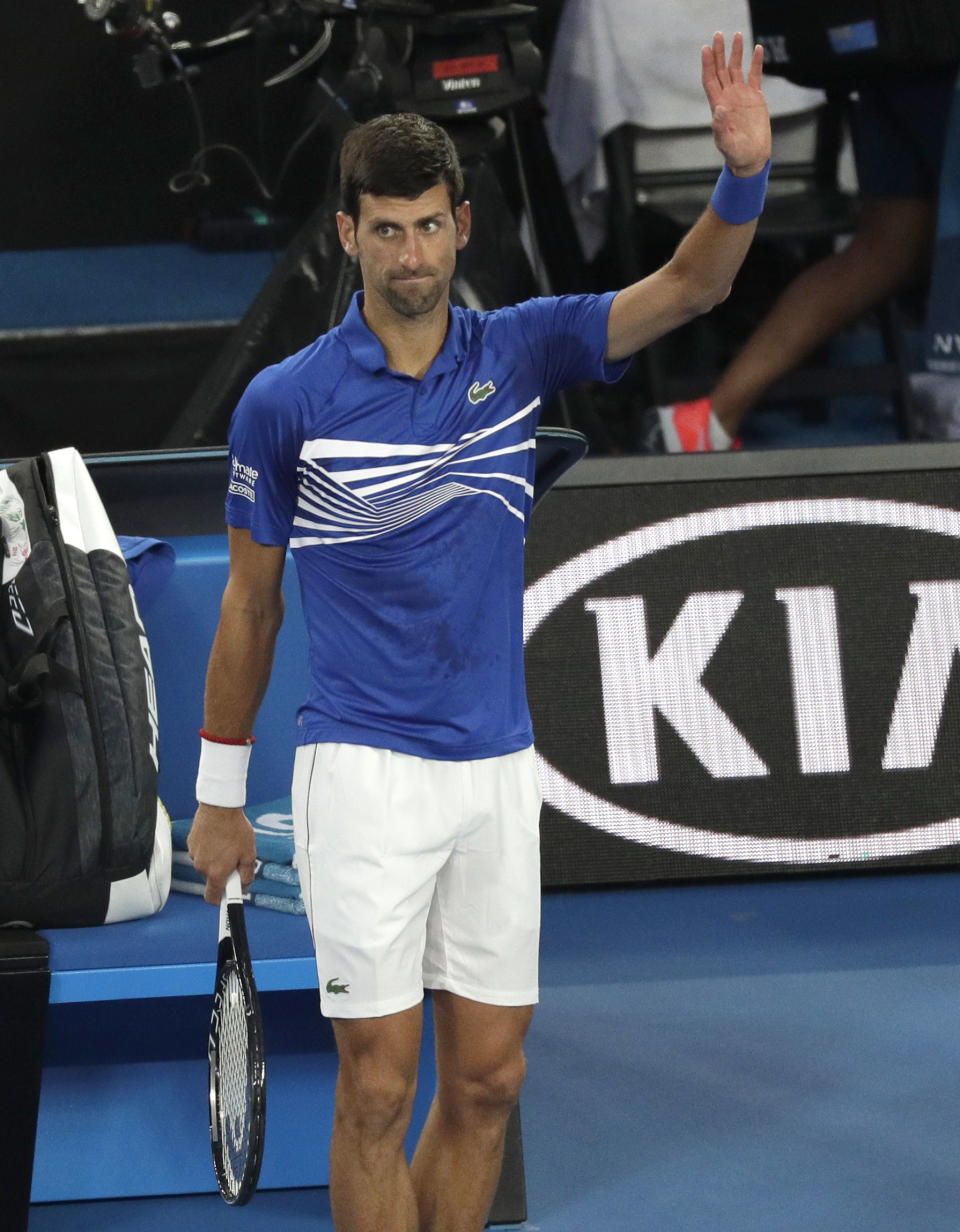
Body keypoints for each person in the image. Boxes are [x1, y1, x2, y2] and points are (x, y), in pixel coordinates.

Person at [186, 31, 771, 1232]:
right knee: (378, 1085)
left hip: (498, 772)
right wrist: (219, 793)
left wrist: (743, 175)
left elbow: (694, 286)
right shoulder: (284, 403)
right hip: (366, 775)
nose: (411, 252)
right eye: (385, 229)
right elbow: (251, 604)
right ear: (347, 236)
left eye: (430, 225)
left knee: (492, 1077)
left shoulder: (524, 346)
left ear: (461, 223)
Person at [640, 66, 958, 451]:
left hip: (888, 51)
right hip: (929, 53)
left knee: (887, 245)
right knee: (887, 243)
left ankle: (707, 420)